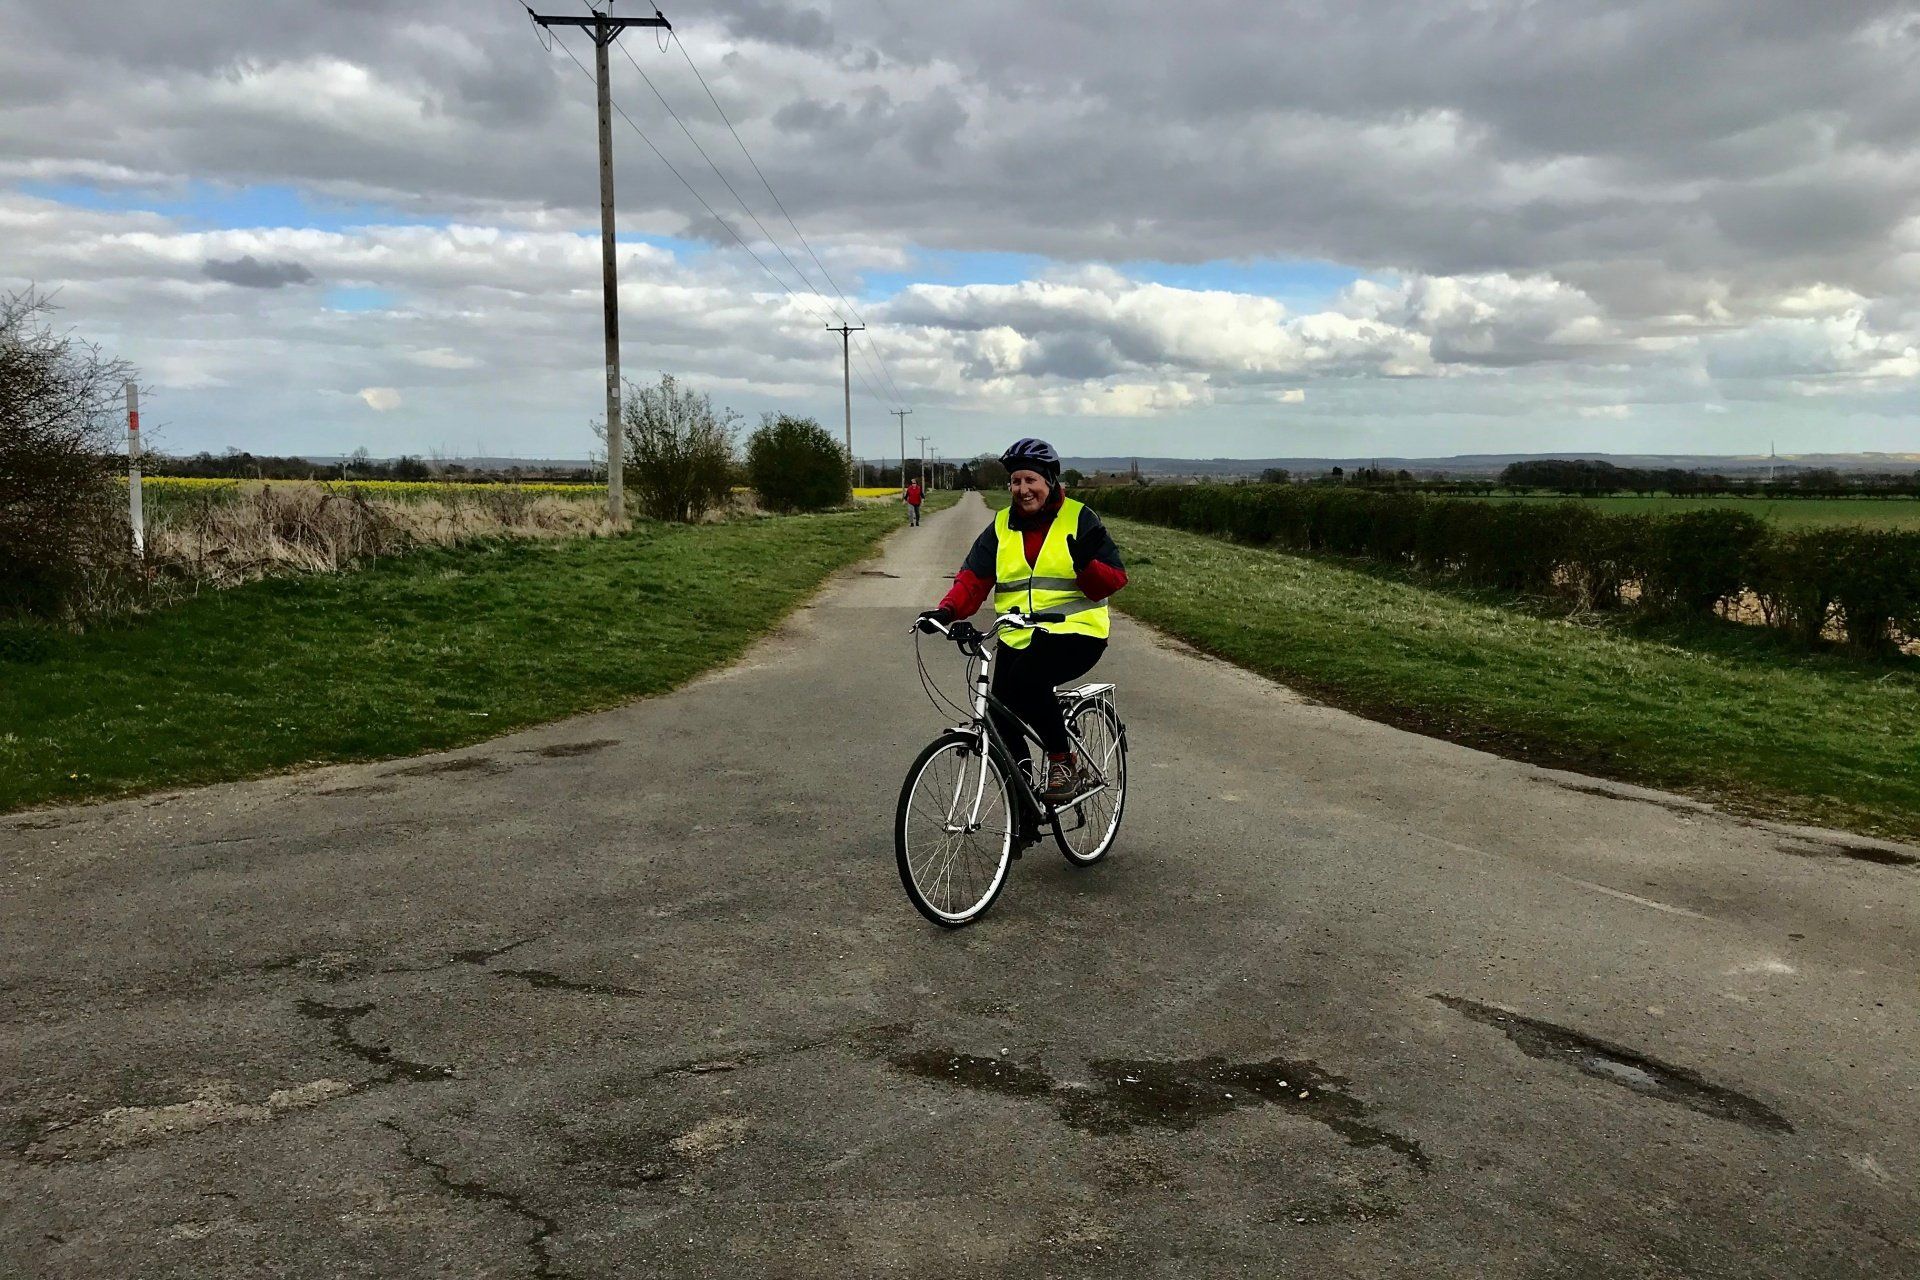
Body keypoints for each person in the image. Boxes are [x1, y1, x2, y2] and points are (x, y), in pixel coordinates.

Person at [917, 438, 1127, 844]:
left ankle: (1063, 763)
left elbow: (1114, 581)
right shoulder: (1000, 527)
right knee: (999, 721)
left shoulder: (1080, 519)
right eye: (1015, 481)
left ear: (1049, 481)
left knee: (1029, 680)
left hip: (1076, 633)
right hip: (1017, 636)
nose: (1022, 489)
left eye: (1031, 479)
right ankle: (1024, 815)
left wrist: (1086, 565)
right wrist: (946, 612)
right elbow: (973, 579)